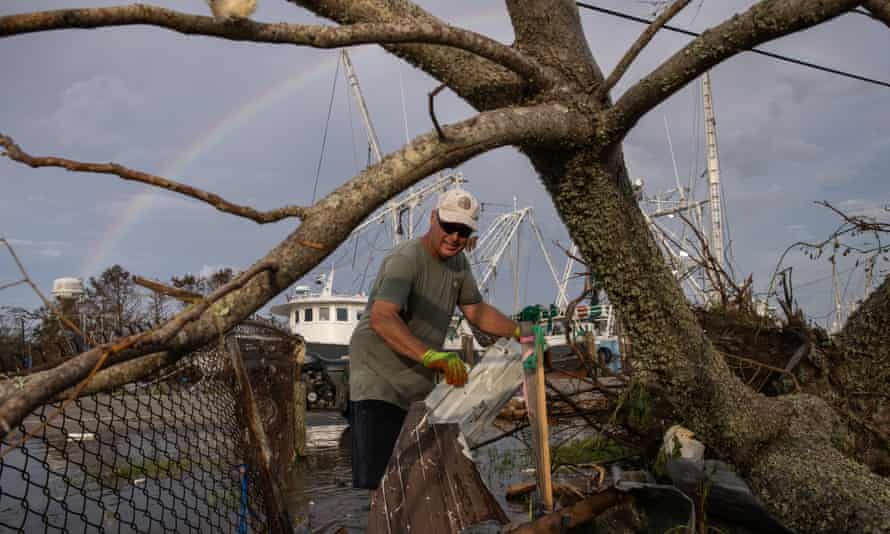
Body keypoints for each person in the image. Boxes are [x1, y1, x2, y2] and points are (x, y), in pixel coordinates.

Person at [347, 188, 519, 490]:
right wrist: (433, 357)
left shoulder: (459, 265)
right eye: (449, 226)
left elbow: (476, 311)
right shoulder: (406, 259)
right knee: (378, 486)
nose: (454, 236)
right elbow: (382, 317)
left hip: (416, 386)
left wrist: (521, 331)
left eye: (463, 230)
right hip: (378, 381)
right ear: (432, 218)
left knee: (414, 481)